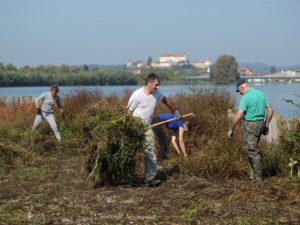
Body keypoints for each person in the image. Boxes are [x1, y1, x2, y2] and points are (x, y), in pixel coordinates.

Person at [127, 73, 180, 186]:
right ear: (149, 83)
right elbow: (128, 112)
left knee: (150, 151)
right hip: (135, 127)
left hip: (147, 127)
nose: (158, 87)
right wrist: (129, 127)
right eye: (156, 84)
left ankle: (149, 178)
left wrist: (175, 111)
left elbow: (166, 100)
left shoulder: (156, 93)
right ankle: (128, 176)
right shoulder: (137, 95)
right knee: (131, 152)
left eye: (158, 85)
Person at [227, 78, 273, 181]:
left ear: (241, 87)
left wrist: (231, 128)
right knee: (249, 148)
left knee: (252, 150)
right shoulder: (260, 93)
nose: (240, 93)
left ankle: (258, 178)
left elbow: (239, 116)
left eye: (239, 91)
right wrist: (266, 124)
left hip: (250, 125)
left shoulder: (246, 97)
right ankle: (251, 174)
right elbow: (270, 109)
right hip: (261, 124)